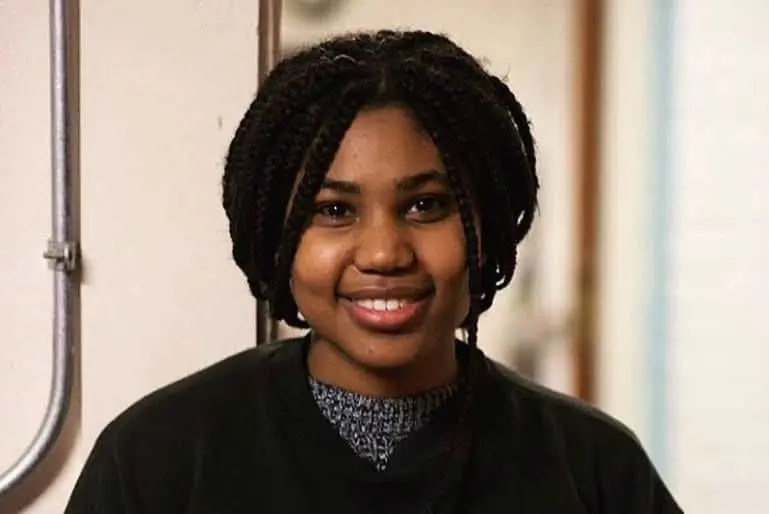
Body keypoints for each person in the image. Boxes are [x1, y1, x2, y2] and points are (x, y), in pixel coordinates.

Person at [64, 29, 683, 514]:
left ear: (485, 224)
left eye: (425, 205)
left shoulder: (594, 468)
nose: (385, 252)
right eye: (334, 210)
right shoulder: (159, 458)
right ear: (275, 235)